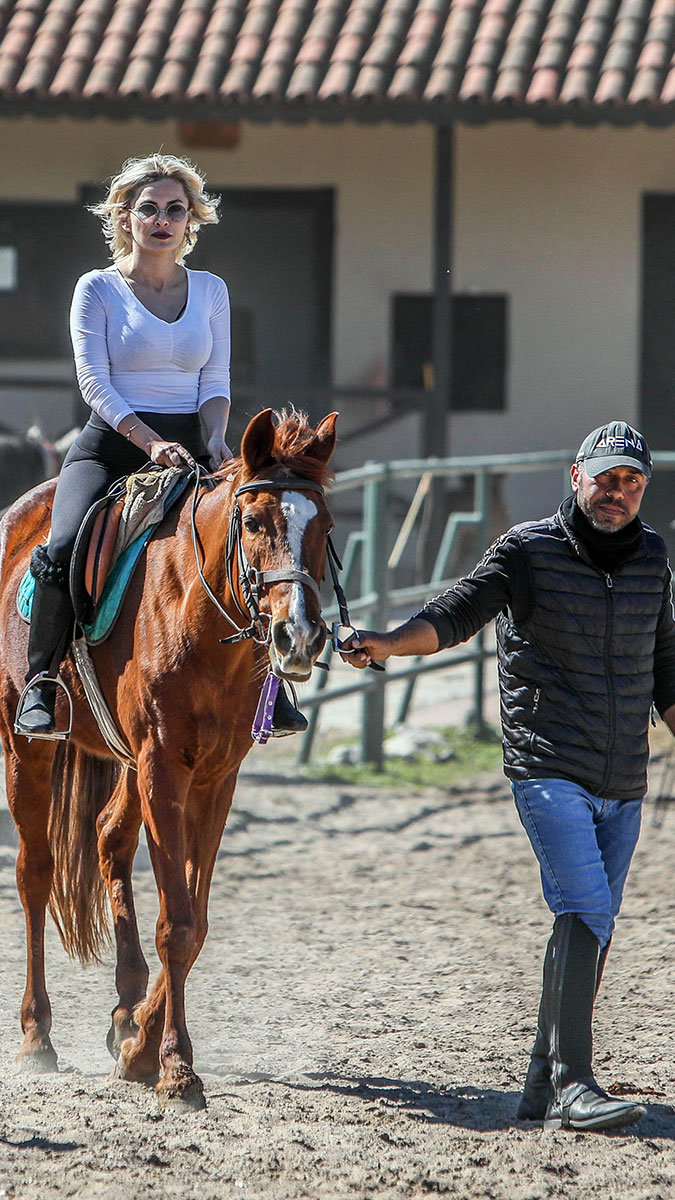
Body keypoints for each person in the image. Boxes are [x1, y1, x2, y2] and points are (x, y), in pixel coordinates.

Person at [341, 421, 675, 1133]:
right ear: (575, 476)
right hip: (546, 763)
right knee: (585, 906)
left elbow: (666, 665)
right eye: (606, 477)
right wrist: (390, 643)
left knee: (592, 921)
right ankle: (572, 1085)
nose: (617, 492)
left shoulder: (652, 556)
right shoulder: (526, 550)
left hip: (623, 775)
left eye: (631, 482)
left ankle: (539, 1074)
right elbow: (457, 613)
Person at [15, 152, 305, 739]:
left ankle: (274, 687)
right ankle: (42, 683)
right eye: (149, 209)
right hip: (112, 444)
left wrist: (217, 438)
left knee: (264, 535)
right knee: (63, 544)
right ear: (125, 217)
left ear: (191, 221)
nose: (162, 220)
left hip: (197, 443)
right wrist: (149, 443)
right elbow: (94, 382)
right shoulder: (97, 288)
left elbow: (215, 381)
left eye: (176, 209)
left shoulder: (212, 290)